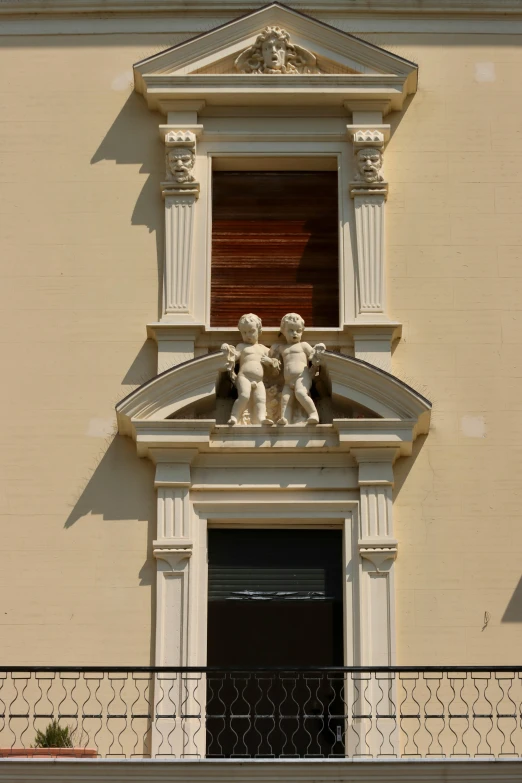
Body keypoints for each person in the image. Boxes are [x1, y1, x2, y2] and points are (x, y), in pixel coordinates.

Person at [221, 313, 279, 426]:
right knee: (244, 396)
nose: (247, 335)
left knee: (261, 399)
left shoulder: (263, 349)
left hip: (259, 380)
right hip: (244, 377)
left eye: (251, 331)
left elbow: (275, 364)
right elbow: (234, 356)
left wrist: (270, 362)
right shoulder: (241, 347)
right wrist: (227, 349)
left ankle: (261, 418)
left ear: (259, 330)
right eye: (244, 332)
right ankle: (234, 417)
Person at [270, 313, 325, 426]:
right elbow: (273, 358)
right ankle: (285, 419)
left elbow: (313, 355)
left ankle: (313, 414)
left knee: (300, 393)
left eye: (298, 331)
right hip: (288, 381)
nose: (295, 333)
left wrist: (318, 352)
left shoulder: (303, 345)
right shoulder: (282, 348)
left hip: (302, 376)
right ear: (283, 331)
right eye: (291, 330)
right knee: (285, 399)